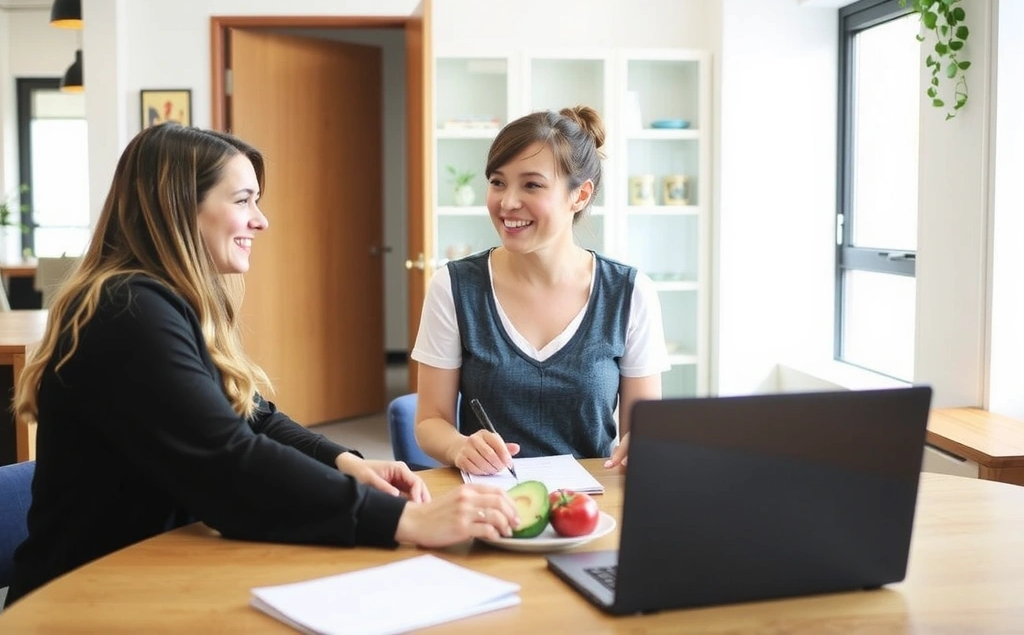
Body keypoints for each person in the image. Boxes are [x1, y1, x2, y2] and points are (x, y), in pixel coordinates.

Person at [6, 124, 517, 606]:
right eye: (243, 200)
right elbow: (227, 460)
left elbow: (252, 414)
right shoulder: (125, 310)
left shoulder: (158, 300)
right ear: (180, 206)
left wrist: (345, 462)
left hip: (156, 572)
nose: (261, 219)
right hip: (87, 599)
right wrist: (405, 520)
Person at [413, 106, 670, 476]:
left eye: (531, 185)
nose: (507, 202)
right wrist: (459, 446)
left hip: (591, 506)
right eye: (498, 182)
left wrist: (644, 442)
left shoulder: (629, 293)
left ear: (579, 196)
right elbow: (430, 422)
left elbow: (641, 430)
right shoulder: (453, 287)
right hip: (493, 503)